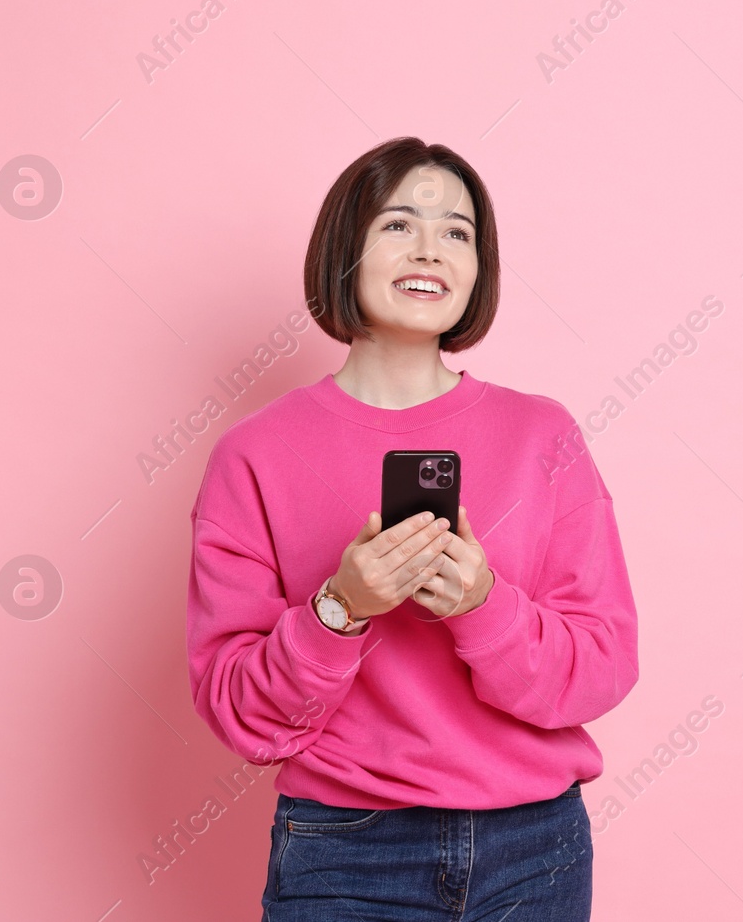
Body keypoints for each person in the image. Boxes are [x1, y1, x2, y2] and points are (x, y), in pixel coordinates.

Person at [186, 136, 639, 920]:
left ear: (478, 268)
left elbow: (602, 667)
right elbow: (238, 711)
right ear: (345, 250)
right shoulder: (253, 455)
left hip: (535, 846)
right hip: (344, 851)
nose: (430, 247)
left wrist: (483, 604)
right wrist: (341, 608)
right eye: (398, 224)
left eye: (457, 231)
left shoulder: (544, 436)